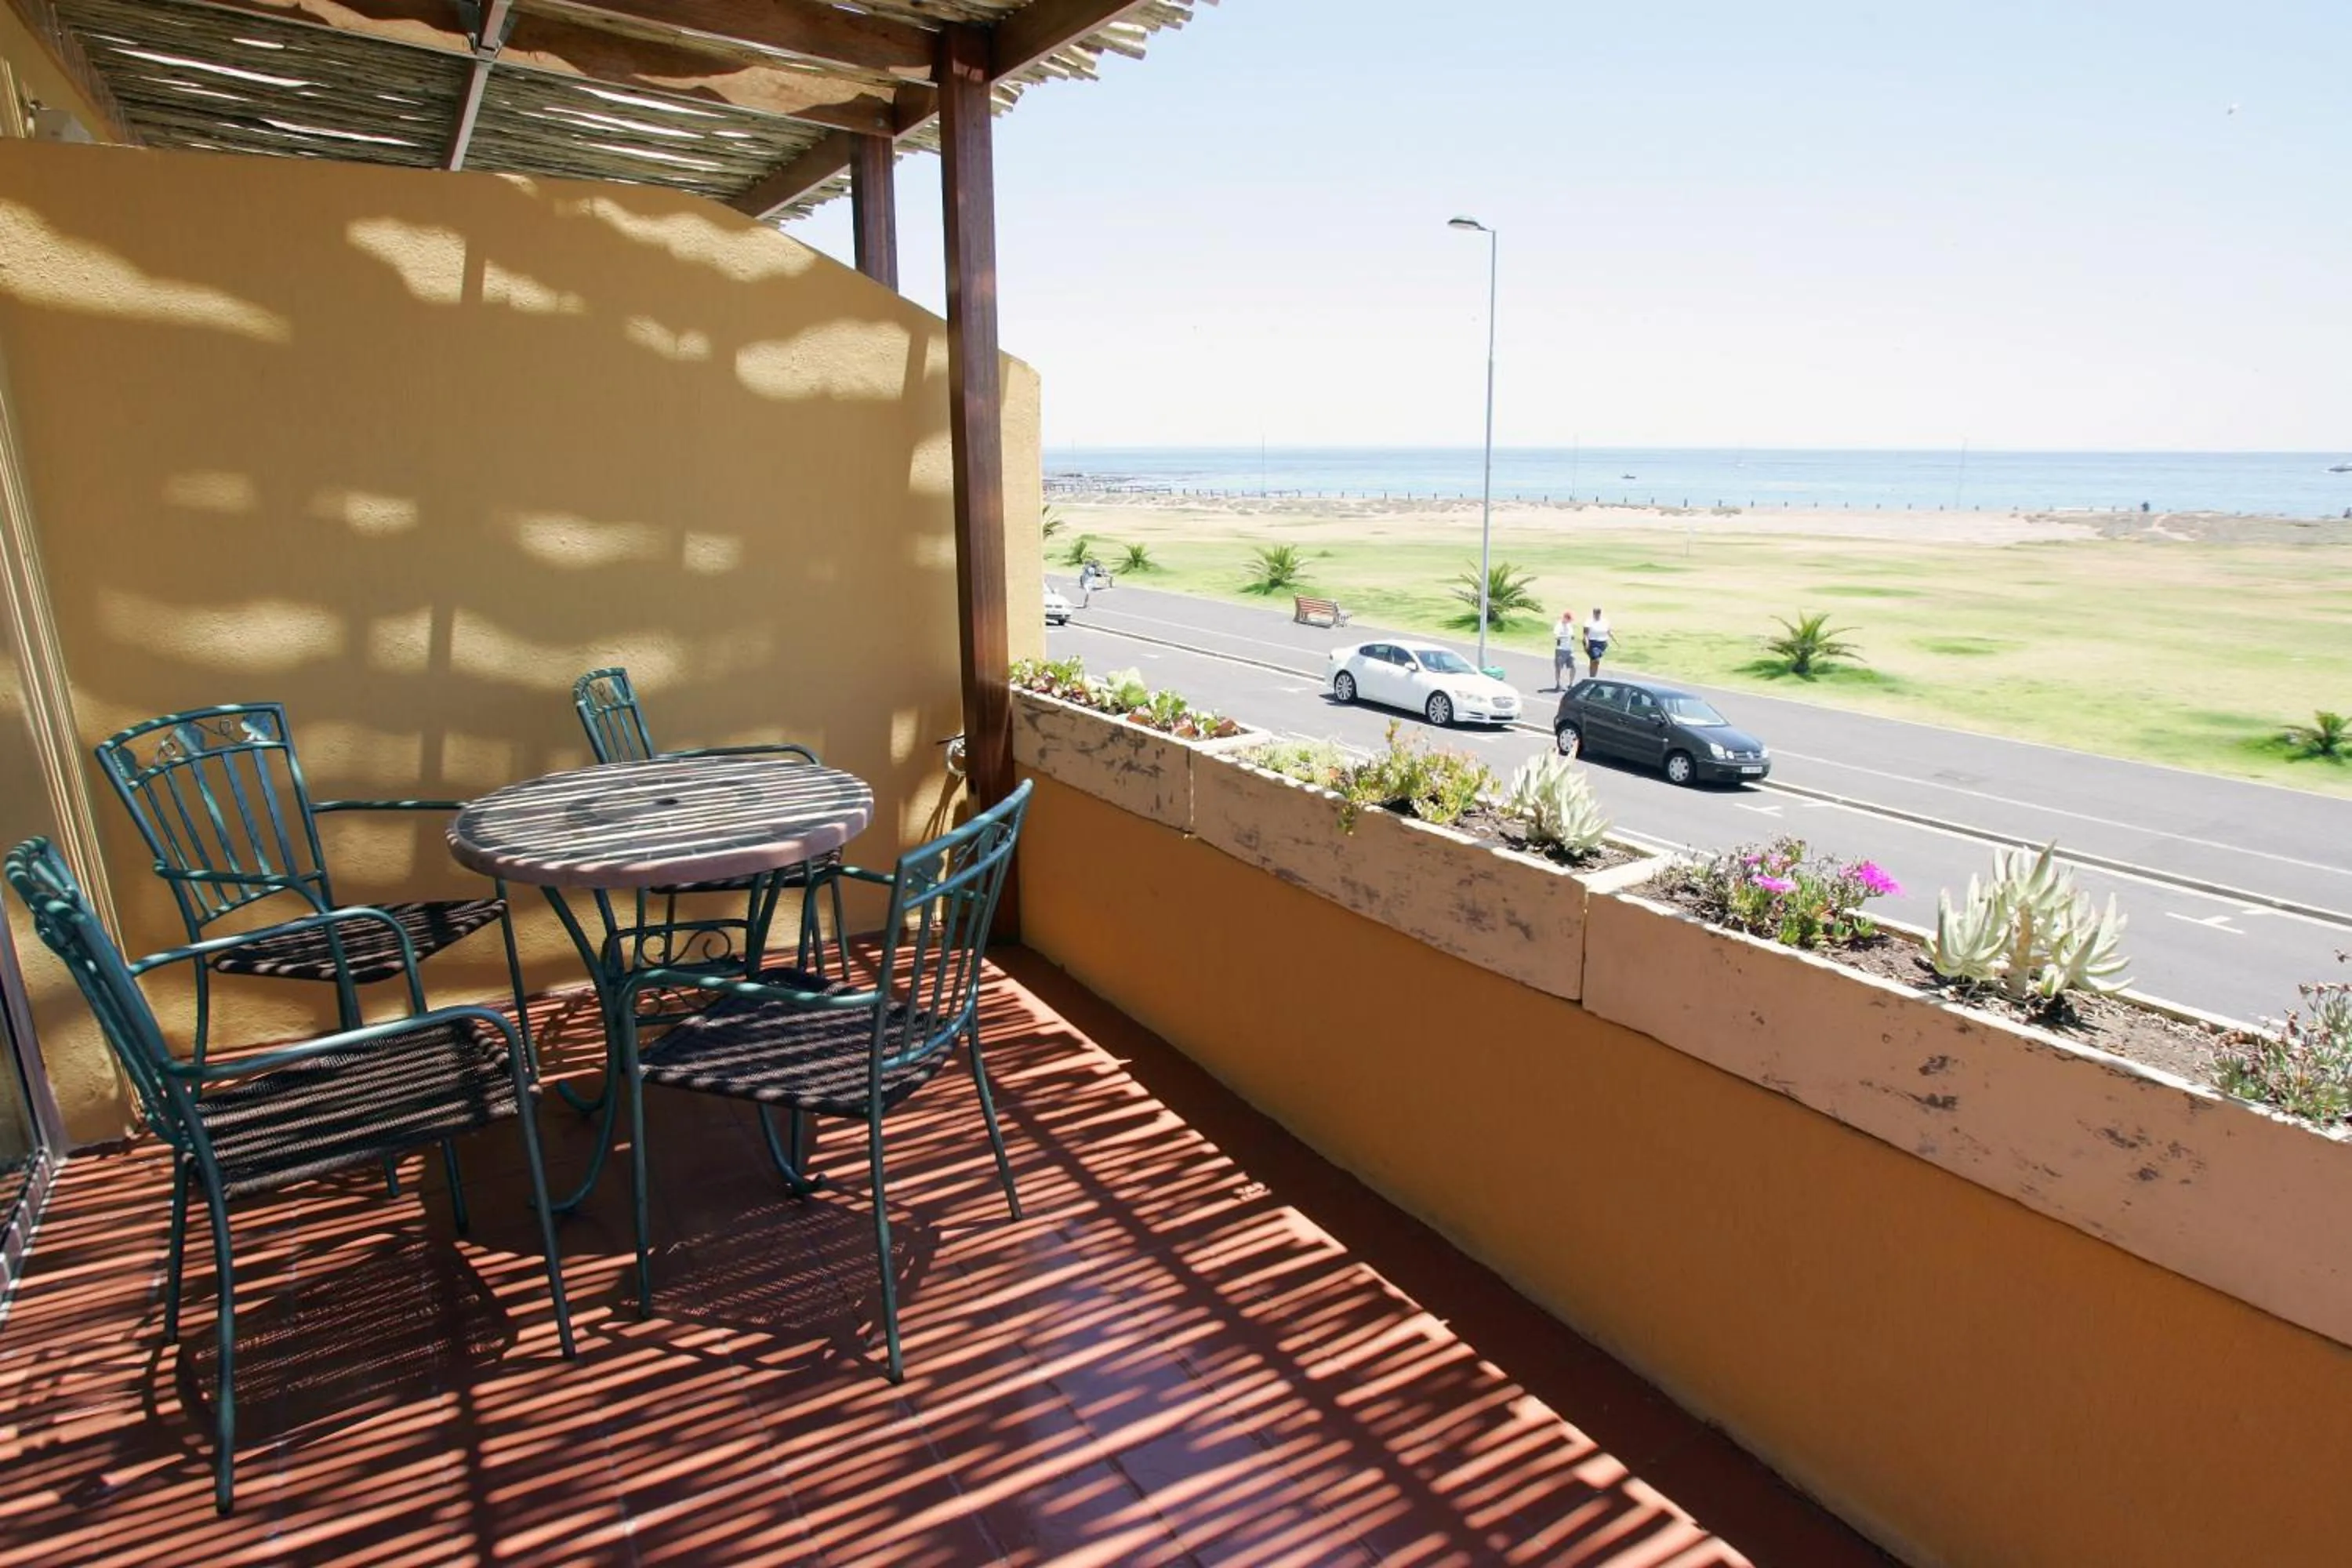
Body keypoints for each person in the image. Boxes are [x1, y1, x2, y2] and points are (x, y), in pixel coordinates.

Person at [1552, 609, 1580, 690]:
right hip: (1561, 649)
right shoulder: (1559, 626)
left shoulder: (1570, 626)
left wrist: (1572, 638)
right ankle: (1558, 684)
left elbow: (1572, 635)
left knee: (1573, 667)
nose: (1569, 621)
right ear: (1565, 618)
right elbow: (1556, 636)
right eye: (1569, 619)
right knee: (1559, 668)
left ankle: (1571, 684)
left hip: (1569, 649)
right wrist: (1565, 637)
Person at [1583, 606, 1612, 679]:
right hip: (1592, 642)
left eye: (1599, 613)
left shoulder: (1605, 621)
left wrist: (1613, 640)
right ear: (1593, 613)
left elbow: (1608, 632)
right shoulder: (1589, 621)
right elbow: (1585, 634)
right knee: (1596, 660)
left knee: (1595, 661)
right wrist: (1586, 643)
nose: (1597, 614)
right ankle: (1592, 677)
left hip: (1602, 643)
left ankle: (1593, 676)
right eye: (1596, 613)